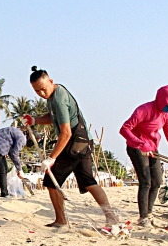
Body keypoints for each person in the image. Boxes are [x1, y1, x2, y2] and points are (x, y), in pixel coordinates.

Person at [23, 66, 121, 228]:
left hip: (75, 142)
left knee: (51, 180)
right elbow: (54, 117)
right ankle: (111, 218)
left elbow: (66, 133)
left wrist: (51, 158)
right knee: (88, 180)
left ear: (51, 81)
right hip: (84, 142)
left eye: (43, 89)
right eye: (37, 91)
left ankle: (61, 220)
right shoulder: (53, 95)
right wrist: (35, 120)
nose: (41, 93)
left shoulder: (59, 99)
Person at [120, 87, 168, 227]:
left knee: (157, 181)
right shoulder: (144, 110)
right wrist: (140, 144)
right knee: (146, 181)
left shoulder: (166, 115)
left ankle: (149, 213)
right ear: (161, 100)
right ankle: (143, 218)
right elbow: (124, 129)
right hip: (136, 146)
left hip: (153, 147)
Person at [0, 126, 27, 198]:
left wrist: (18, 167)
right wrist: (20, 170)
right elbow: (14, 153)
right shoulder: (22, 137)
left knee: (4, 168)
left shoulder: (14, 131)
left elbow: (11, 153)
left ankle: (4, 192)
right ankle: (4, 193)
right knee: (3, 169)